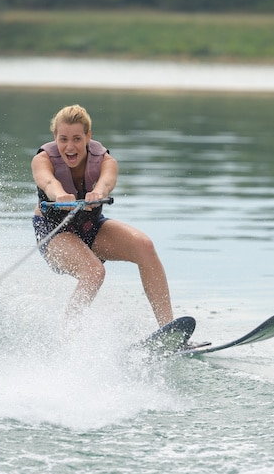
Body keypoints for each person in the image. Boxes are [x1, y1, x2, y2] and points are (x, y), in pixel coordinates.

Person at [32, 104, 174, 327]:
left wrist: (99, 192)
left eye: (77, 138)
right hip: (54, 233)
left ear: (88, 136)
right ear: (55, 137)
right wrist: (59, 194)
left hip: (90, 227)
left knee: (144, 245)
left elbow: (107, 180)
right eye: (63, 139)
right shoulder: (43, 160)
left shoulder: (105, 161)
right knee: (94, 271)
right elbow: (48, 182)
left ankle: (169, 329)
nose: (70, 147)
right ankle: (67, 338)